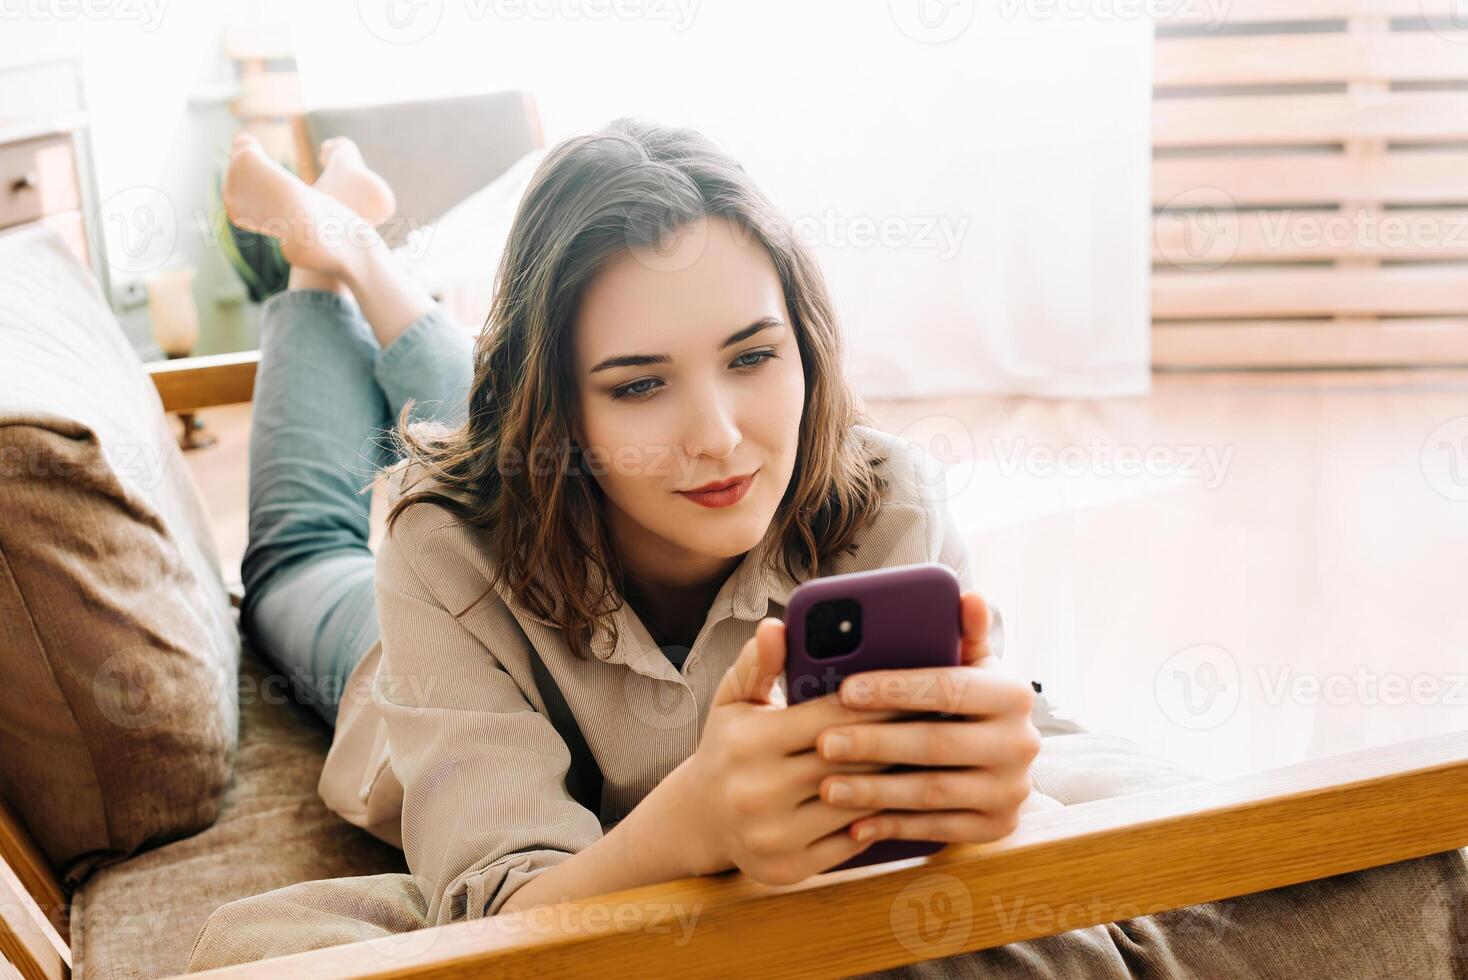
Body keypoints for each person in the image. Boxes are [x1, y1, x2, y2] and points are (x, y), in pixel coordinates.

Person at [221, 119, 1042, 925]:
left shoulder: (886, 501)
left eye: (752, 357)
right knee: (300, 555)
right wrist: (693, 824)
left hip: (551, 463)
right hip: (405, 654)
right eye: (639, 386)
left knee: (491, 424)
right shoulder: (438, 549)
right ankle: (329, 258)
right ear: (563, 414)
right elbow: (498, 904)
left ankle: (357, 243)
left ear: (806, 346)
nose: (719, 439)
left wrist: (1000, 780)